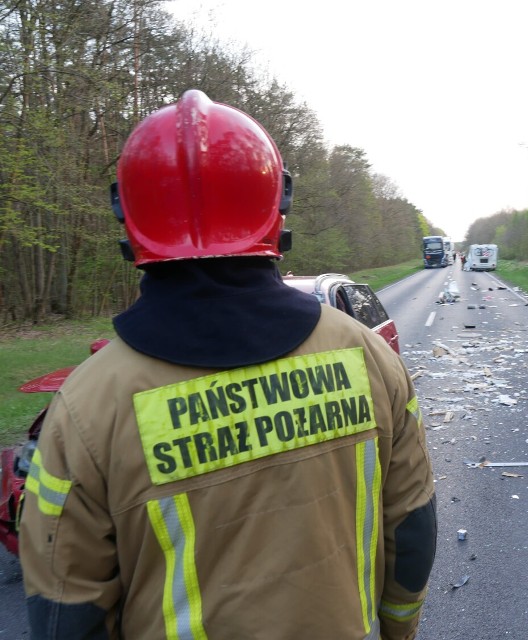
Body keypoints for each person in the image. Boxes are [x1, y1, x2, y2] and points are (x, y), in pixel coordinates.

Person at [20, 90, 437, 640]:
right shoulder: (369, 358)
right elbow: (411, 532)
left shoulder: (86, 406)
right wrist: (397, 631)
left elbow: (65, 608)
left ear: (130, 218)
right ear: (276, 208)